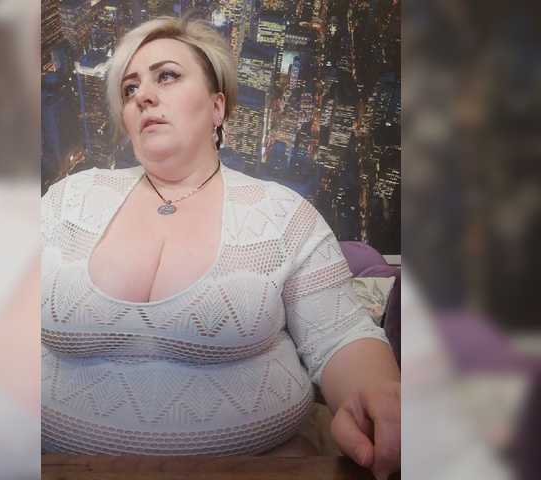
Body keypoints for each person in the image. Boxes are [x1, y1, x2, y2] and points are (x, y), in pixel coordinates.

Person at [41, 16, 400, 480]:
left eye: (166, 76)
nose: (143, 94)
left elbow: (341, 336)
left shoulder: (284, 213)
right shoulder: (67, 200)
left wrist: (376, 392)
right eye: (130, 89)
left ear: (217, 107)